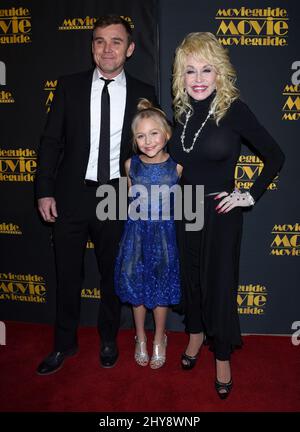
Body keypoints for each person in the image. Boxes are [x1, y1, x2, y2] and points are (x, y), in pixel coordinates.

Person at [35, 15, 156, 375]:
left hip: (117, 196)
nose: (107, 49)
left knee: (112, 276)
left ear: (130, 49)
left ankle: (108, 339)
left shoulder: (144, 93)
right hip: (71, 194)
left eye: (116, 41)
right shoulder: (68, 87)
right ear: (92, 47)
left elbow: (153, 145)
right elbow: (51, 142)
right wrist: (44, 190)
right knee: (66, 275)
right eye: (100, 41)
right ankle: (63, 344)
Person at [169, 32, 285, 398]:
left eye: (207, 69)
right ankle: (196, 335)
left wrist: (248, 195)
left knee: (218, 287)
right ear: (180, 76)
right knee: (193, 281)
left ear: (220, 73)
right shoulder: (180, 111)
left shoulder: (233, 109)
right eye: (190, 71)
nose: (199, 78)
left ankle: (221, 357)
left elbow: (275, 156)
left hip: (220, 214)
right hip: (185, 211)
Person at [114, 99, 182, 369]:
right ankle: (140, 336)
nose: (148, 140)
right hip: (136, 235)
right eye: (141, 136)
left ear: (166, 134)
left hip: (164, 236)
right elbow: (129, 200)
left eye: (154, 133)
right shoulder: (131, 165)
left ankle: (159, 338)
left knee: (162, 286)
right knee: (136, 285)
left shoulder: (177, 167)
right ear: (134, 139)